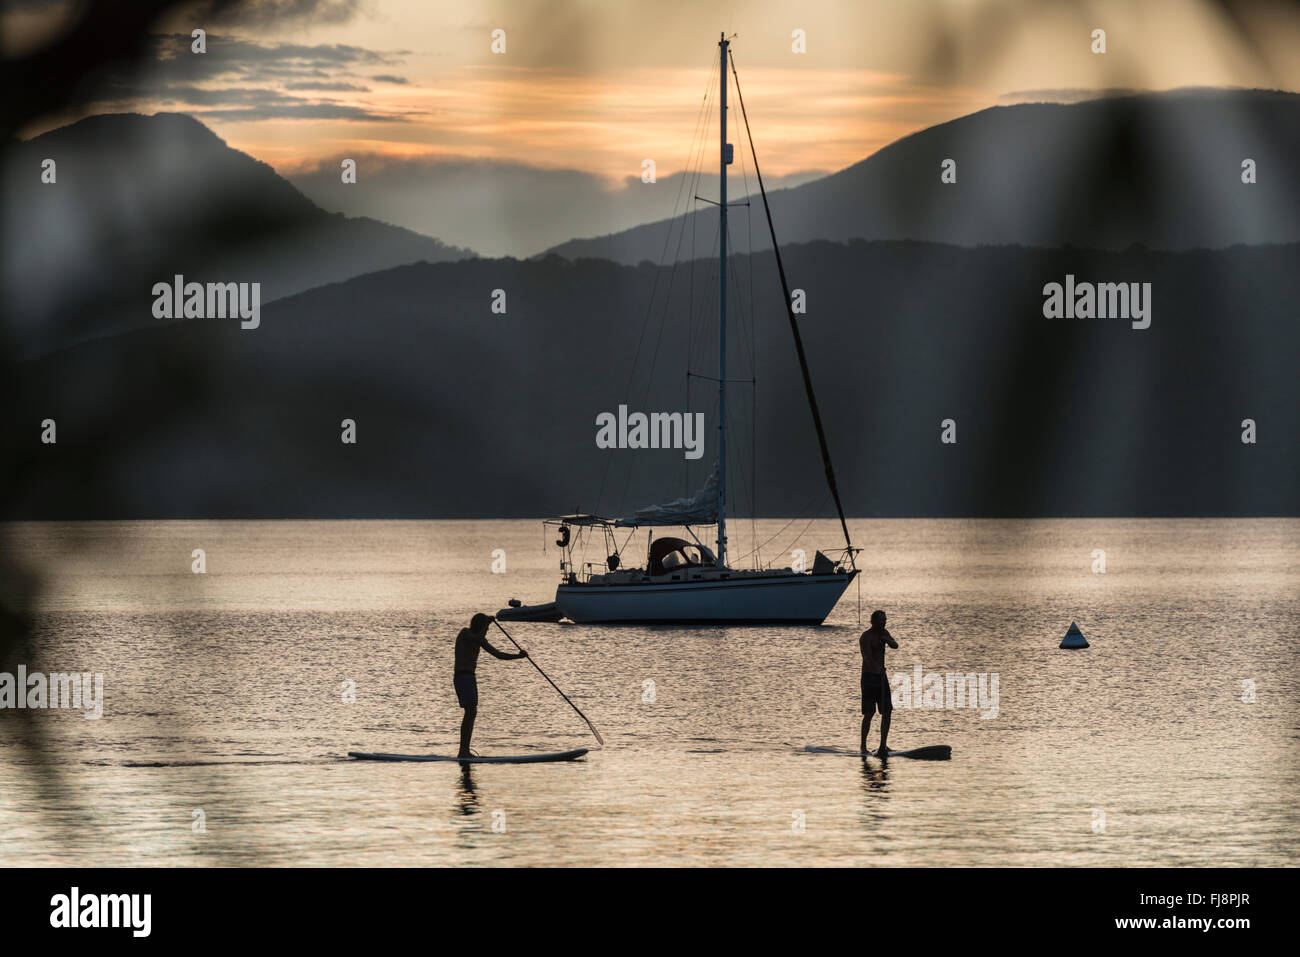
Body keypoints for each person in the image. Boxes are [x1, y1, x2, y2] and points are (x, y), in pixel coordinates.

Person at [454, 613, 527, 757]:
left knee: (472, 712)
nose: (487, 631)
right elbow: (478, 637)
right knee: (470, 712)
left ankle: (464, 750)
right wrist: (488, 623)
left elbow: (498, 655)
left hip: (470, 677)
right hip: (462, 676)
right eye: (485, 628)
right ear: (480, 626)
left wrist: (519, 656)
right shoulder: (465, 633)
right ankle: (463, 751)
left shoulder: (480, 640)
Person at [859, 609, 898, 756]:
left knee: (887, 712)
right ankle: (863, 746)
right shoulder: (865, 637)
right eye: (882, 620)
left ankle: (883, 745)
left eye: (885, 620)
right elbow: (867, 657)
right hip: (869, 678)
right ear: (874, 621)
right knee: (869, 713)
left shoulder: (884, 633)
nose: (884, 622)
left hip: (882, 678)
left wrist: (888, 640)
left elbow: (896, 645)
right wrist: (877, 669)